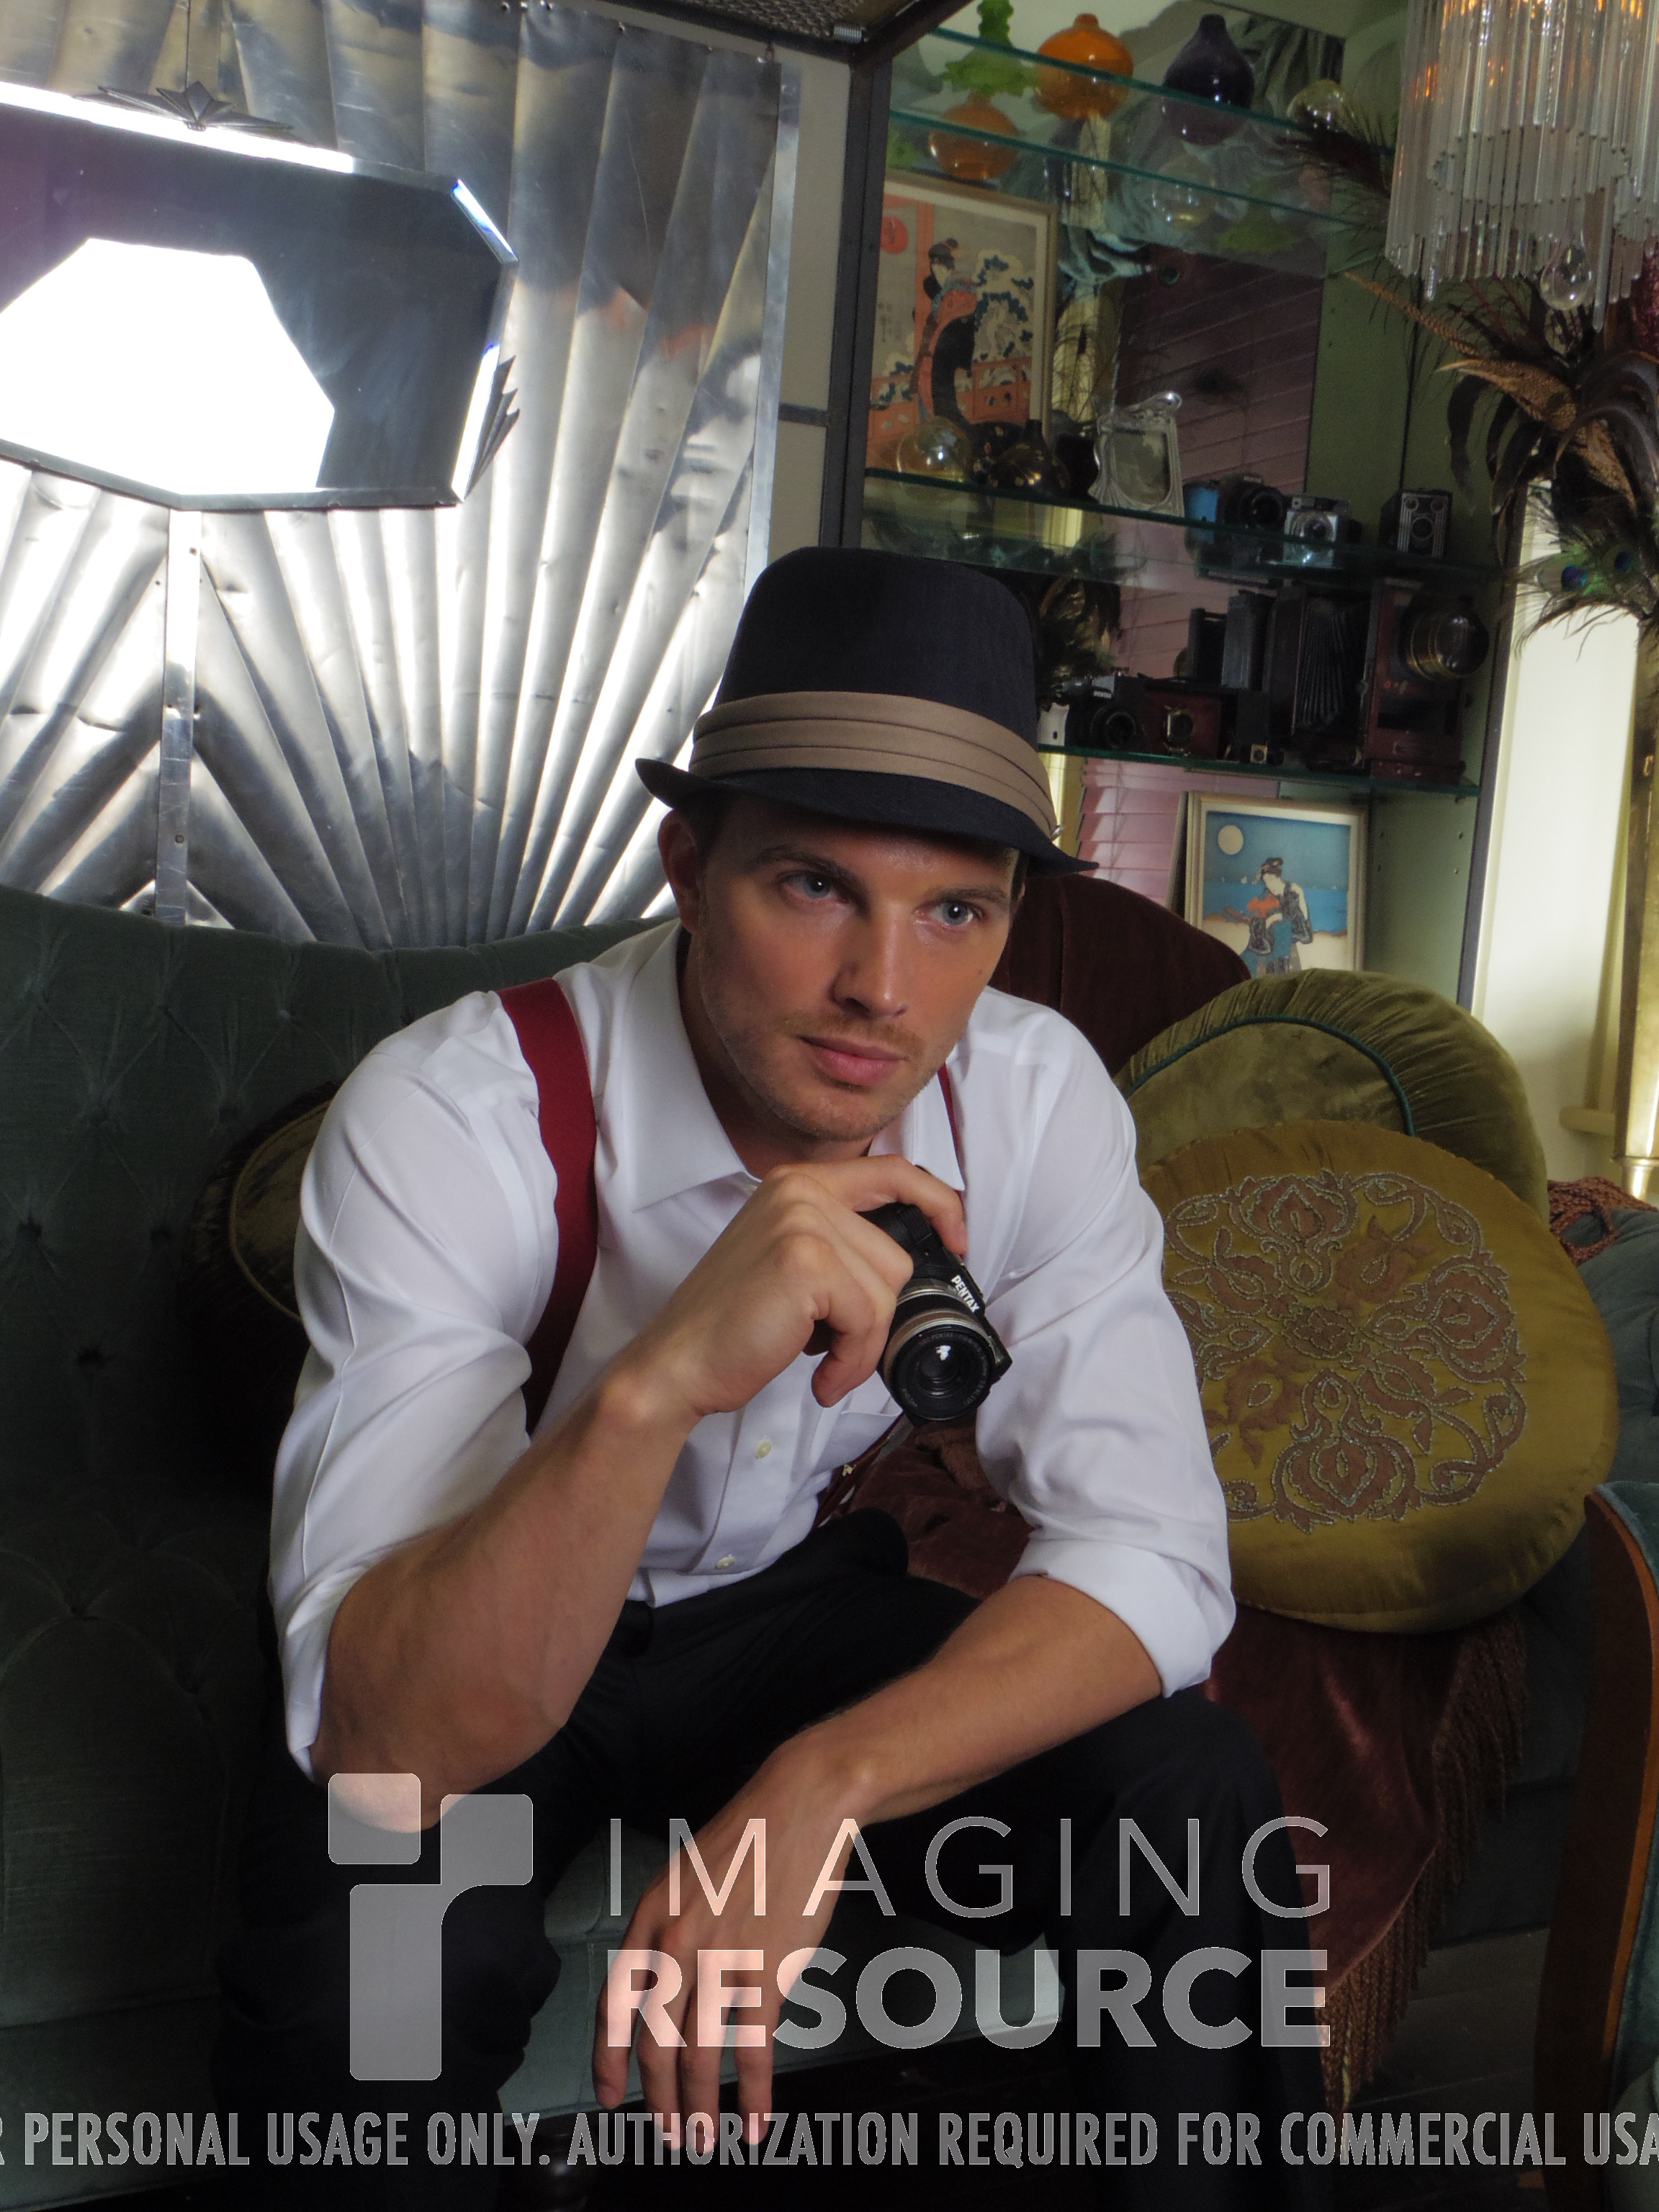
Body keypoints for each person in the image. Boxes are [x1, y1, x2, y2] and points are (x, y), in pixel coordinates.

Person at [214, 549, 1329, 2209]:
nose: (885, 990)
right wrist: (658, 1379)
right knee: (371, 1980)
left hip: (784, 1625)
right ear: (688, 866)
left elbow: (1155, 1554)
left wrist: (824, 1784)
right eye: (814, 886)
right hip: (499, 1620)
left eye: (954, 912)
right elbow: (397, 1733)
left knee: (1193, 1793)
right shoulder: (457, 1113)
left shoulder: (1031, 1102)